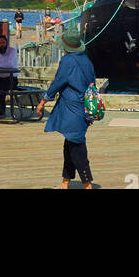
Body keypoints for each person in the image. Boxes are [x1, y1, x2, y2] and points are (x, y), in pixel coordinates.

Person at [36, 27, 96, 189]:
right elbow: (92, 85)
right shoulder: (87, 61)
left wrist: (42, 102)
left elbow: (58, 83)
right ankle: (65, 183)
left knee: (77, 147)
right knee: (69, 144)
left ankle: (87, 185)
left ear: (66, 47)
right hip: (85, 108)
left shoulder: (68, 61)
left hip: (72, 109)